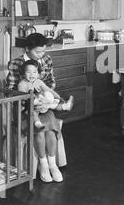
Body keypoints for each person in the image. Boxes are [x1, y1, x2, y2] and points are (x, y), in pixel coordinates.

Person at [7, 33, 74, 183]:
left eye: (43, 51)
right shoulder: (15, 63)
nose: (42, 55)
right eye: (38, 52)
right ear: (27, 49)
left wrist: (46, 97)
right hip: (25, 108)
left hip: (44, 105)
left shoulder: (46, 59)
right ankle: (43, 166)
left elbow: (51, 82)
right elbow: (11, 89)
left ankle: (52, 166)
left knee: (50, 132)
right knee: (40, 132)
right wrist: (30, 100)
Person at [18, 60, 73, 130]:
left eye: (34, 72)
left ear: (38, 74)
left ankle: (65, 106)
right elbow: (23, 95)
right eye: (28, 72)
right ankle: (38, 124)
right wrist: (34, 100)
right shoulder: (22, 84)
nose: (31, 75)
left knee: (52, 104)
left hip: (42, 104)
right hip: (29, 105)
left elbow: (48, 90)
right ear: (23, 73)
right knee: (32, 112)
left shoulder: (39, 82)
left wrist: (58, 97)